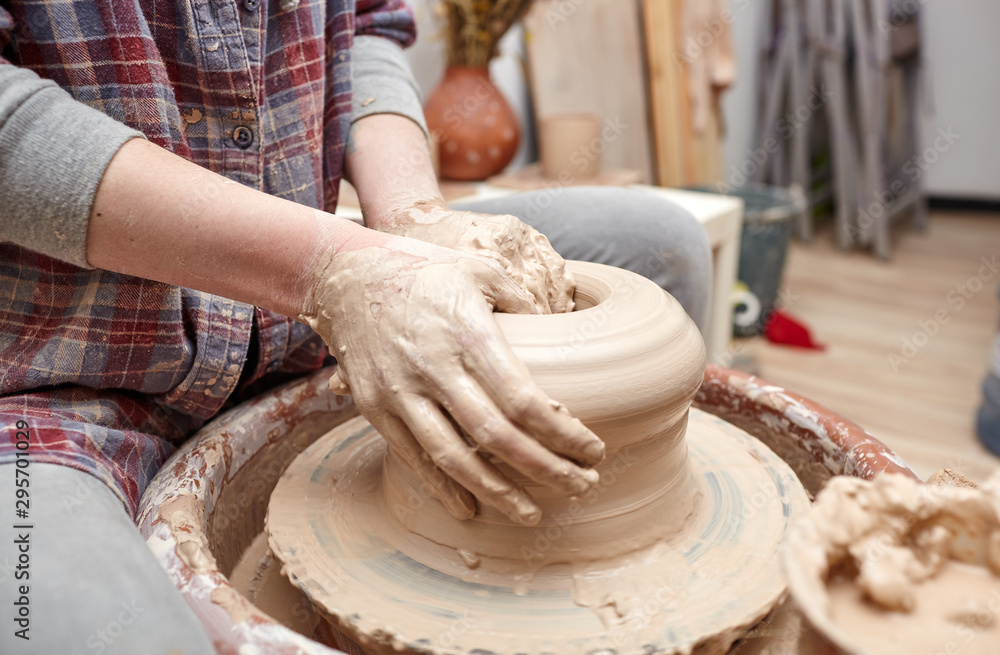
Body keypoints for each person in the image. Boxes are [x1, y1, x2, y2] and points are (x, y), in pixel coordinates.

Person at [0, 0, 711, 652]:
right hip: (63, 383)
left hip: (300, 332)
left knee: (657, 248)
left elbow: (367, 25)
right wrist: (326, 270)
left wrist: (412, 222)